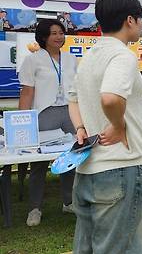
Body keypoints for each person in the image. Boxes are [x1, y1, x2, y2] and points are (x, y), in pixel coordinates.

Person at [68, 0, 142, 253]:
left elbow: (73, 100)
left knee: (87, 247)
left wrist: (81, 128)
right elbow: (111, 98)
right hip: (121, 168)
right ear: (129, 20)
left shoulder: (88, 57)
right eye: (141, 19)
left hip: (87, 168)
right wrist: (118, 125)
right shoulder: (122, 56)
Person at [18, 19, 78, 226]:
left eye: (61, 32)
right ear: (43, 36)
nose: (59, 37)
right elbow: (27, 92)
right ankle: (35, 208)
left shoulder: (71, 59)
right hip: (45, 112)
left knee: (73, 157)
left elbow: (76, 89)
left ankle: (69, 202)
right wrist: (22, 122)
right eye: (53, 33)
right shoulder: (33, 60)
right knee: (39, 162)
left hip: (69, 112)